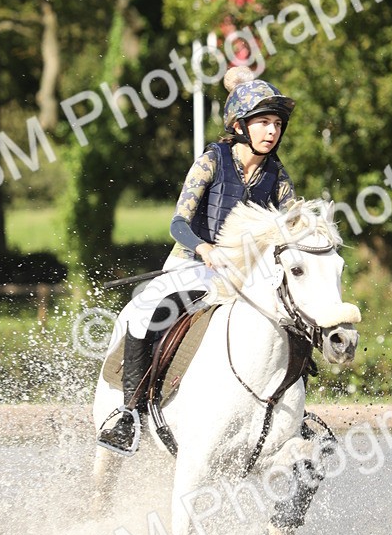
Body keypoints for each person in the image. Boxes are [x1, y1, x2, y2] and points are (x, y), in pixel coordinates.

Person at [98, 65, 298, 452]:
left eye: (276, 123)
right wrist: (204, 248)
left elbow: (293, 225)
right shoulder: (211, 161)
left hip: (244, 278)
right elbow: (178, 223)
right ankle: (129, 411)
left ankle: (293, 416)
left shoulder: (278, 176)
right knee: (142, 311)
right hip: (194, 265)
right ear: (240, 125)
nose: (272, 131)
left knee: (294, 320)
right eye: (263, 122)